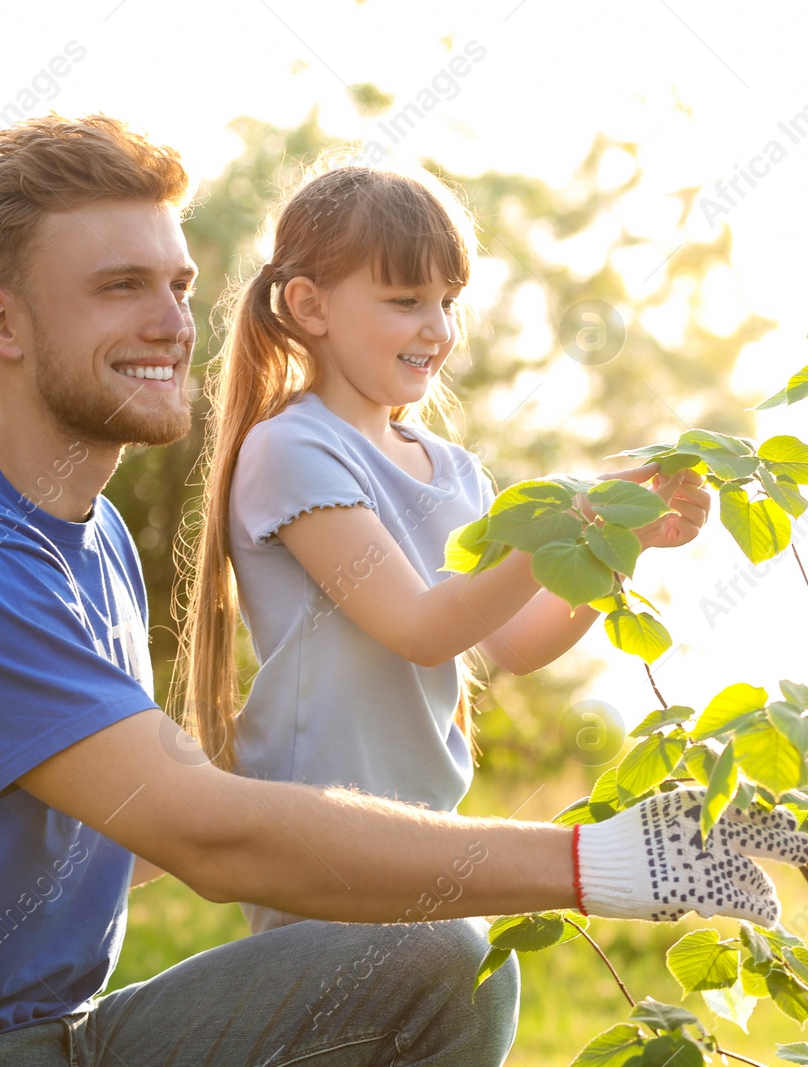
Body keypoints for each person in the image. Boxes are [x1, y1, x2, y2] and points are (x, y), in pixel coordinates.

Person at [0, 113, 808, 1067]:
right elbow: (206, 835)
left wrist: (274, 802)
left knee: (426, 963)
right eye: (118, 286)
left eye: (174, 283)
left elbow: (140, 825)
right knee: (436, 952)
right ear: (1, 323)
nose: (172, 320)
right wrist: (602, 861)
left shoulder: (90, 533)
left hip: (59, 1030)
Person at [176, 161, 712, 935]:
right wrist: (565, 522)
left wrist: (617, 539)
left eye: (448, 302)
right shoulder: (291, 449)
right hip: (317, 833)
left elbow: (517, 643)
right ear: (308, 305)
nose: (438, 328)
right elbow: (424, 628)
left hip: (425, 830)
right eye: (405, 301)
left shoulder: (454, 470)